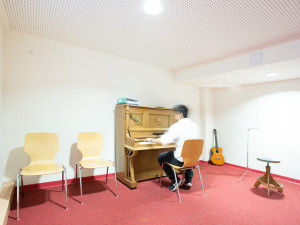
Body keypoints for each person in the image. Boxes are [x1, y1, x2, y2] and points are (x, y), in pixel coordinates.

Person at [145, 104, 199, 191]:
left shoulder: (177, 126)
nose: (174, 116)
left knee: (161, 157)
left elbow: (162, 141)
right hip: (193, 160)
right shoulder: (194, 126)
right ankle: (188, 180)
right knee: (188, 153)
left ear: (180, 114)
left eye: (175, 114)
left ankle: (176, 180)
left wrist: (150, 139)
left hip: (180, 161)